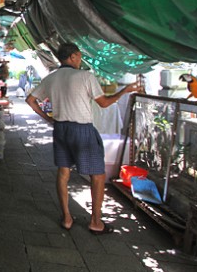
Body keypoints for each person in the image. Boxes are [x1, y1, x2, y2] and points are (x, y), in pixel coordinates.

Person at [25, 43, 139, 234]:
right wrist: (124, 91)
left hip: (60, 129)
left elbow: (30, 100)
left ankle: (67, 218)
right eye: (78, 56)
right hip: (83, 130)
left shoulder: (51, 78)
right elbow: (104, 103)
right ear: (72, 57)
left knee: (63, 173)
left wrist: (49, 119)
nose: (79, 59)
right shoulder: (86, 76)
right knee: (98, 174)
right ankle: (95, 222)